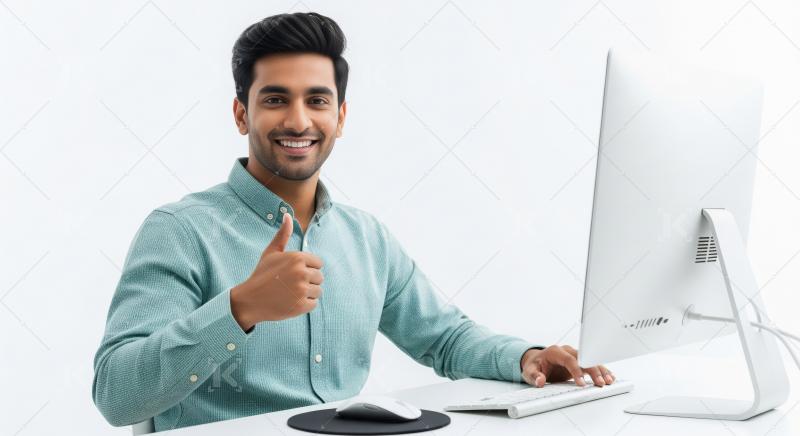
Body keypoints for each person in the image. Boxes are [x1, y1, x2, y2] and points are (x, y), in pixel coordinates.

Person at [92, 12, 614, 431]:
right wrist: (241, 308)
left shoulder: (365, 238)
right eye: (275, 100)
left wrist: (528, 356)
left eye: (317, 100)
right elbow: (118, 395)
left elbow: (445, 339)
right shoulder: (180, 231)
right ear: (241, 115)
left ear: (340, 117)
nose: (298, 120)